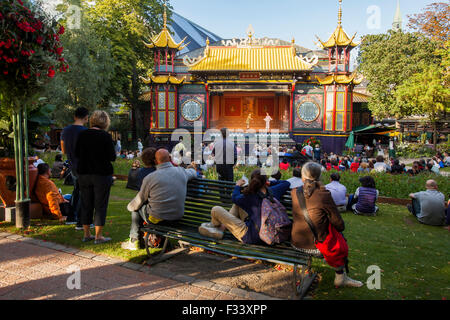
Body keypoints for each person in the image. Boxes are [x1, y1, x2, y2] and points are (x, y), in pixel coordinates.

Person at [290, 162, 363, 288]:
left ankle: (339, 273)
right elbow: (339, 224)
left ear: (302, 177)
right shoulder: (323, 194)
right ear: (319, 177)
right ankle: (340, 276)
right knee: (339, 239)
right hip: (315, 247)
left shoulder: (294, 192)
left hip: (295, 242)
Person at [121, 149, 197, 250]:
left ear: (156, 161)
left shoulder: (150, 178)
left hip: (159, 220)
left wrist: (129, 207)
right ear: (170, 158)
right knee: (140, 208)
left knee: (136, 210)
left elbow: (138, 201)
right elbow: (193, 172)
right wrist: (191, 168)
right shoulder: (181, 172)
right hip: (177, 218)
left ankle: (134, 241)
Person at [198, 169, 290, 243]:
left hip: (250, 236)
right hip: (268, 234)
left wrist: (238, 186)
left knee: (215, 209)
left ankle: (215, 226)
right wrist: (270, 183)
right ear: (265, 181)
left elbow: (234, 197)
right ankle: (221, 228)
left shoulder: (249, 196)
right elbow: (286, 183)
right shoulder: (273, 191)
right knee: (237, 205)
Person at [75, 110, 116, 244]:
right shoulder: (105, 136)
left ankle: (87, 234)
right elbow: (112, 157)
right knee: (100, 204)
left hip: (84, 173)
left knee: (86, 203)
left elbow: (76, 153)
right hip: (101, 174)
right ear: (105, 122)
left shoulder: (82, 134)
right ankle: (99, 236)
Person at [61, 107, 89, 229]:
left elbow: (63, 150)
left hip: (72, 164)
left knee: (77, 190)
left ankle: (71, 217)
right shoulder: (85, 132)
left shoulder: (66, 130)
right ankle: (81, 221)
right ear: (86, 118)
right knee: (84, 192)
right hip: (83, 164)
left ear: (74, 116)